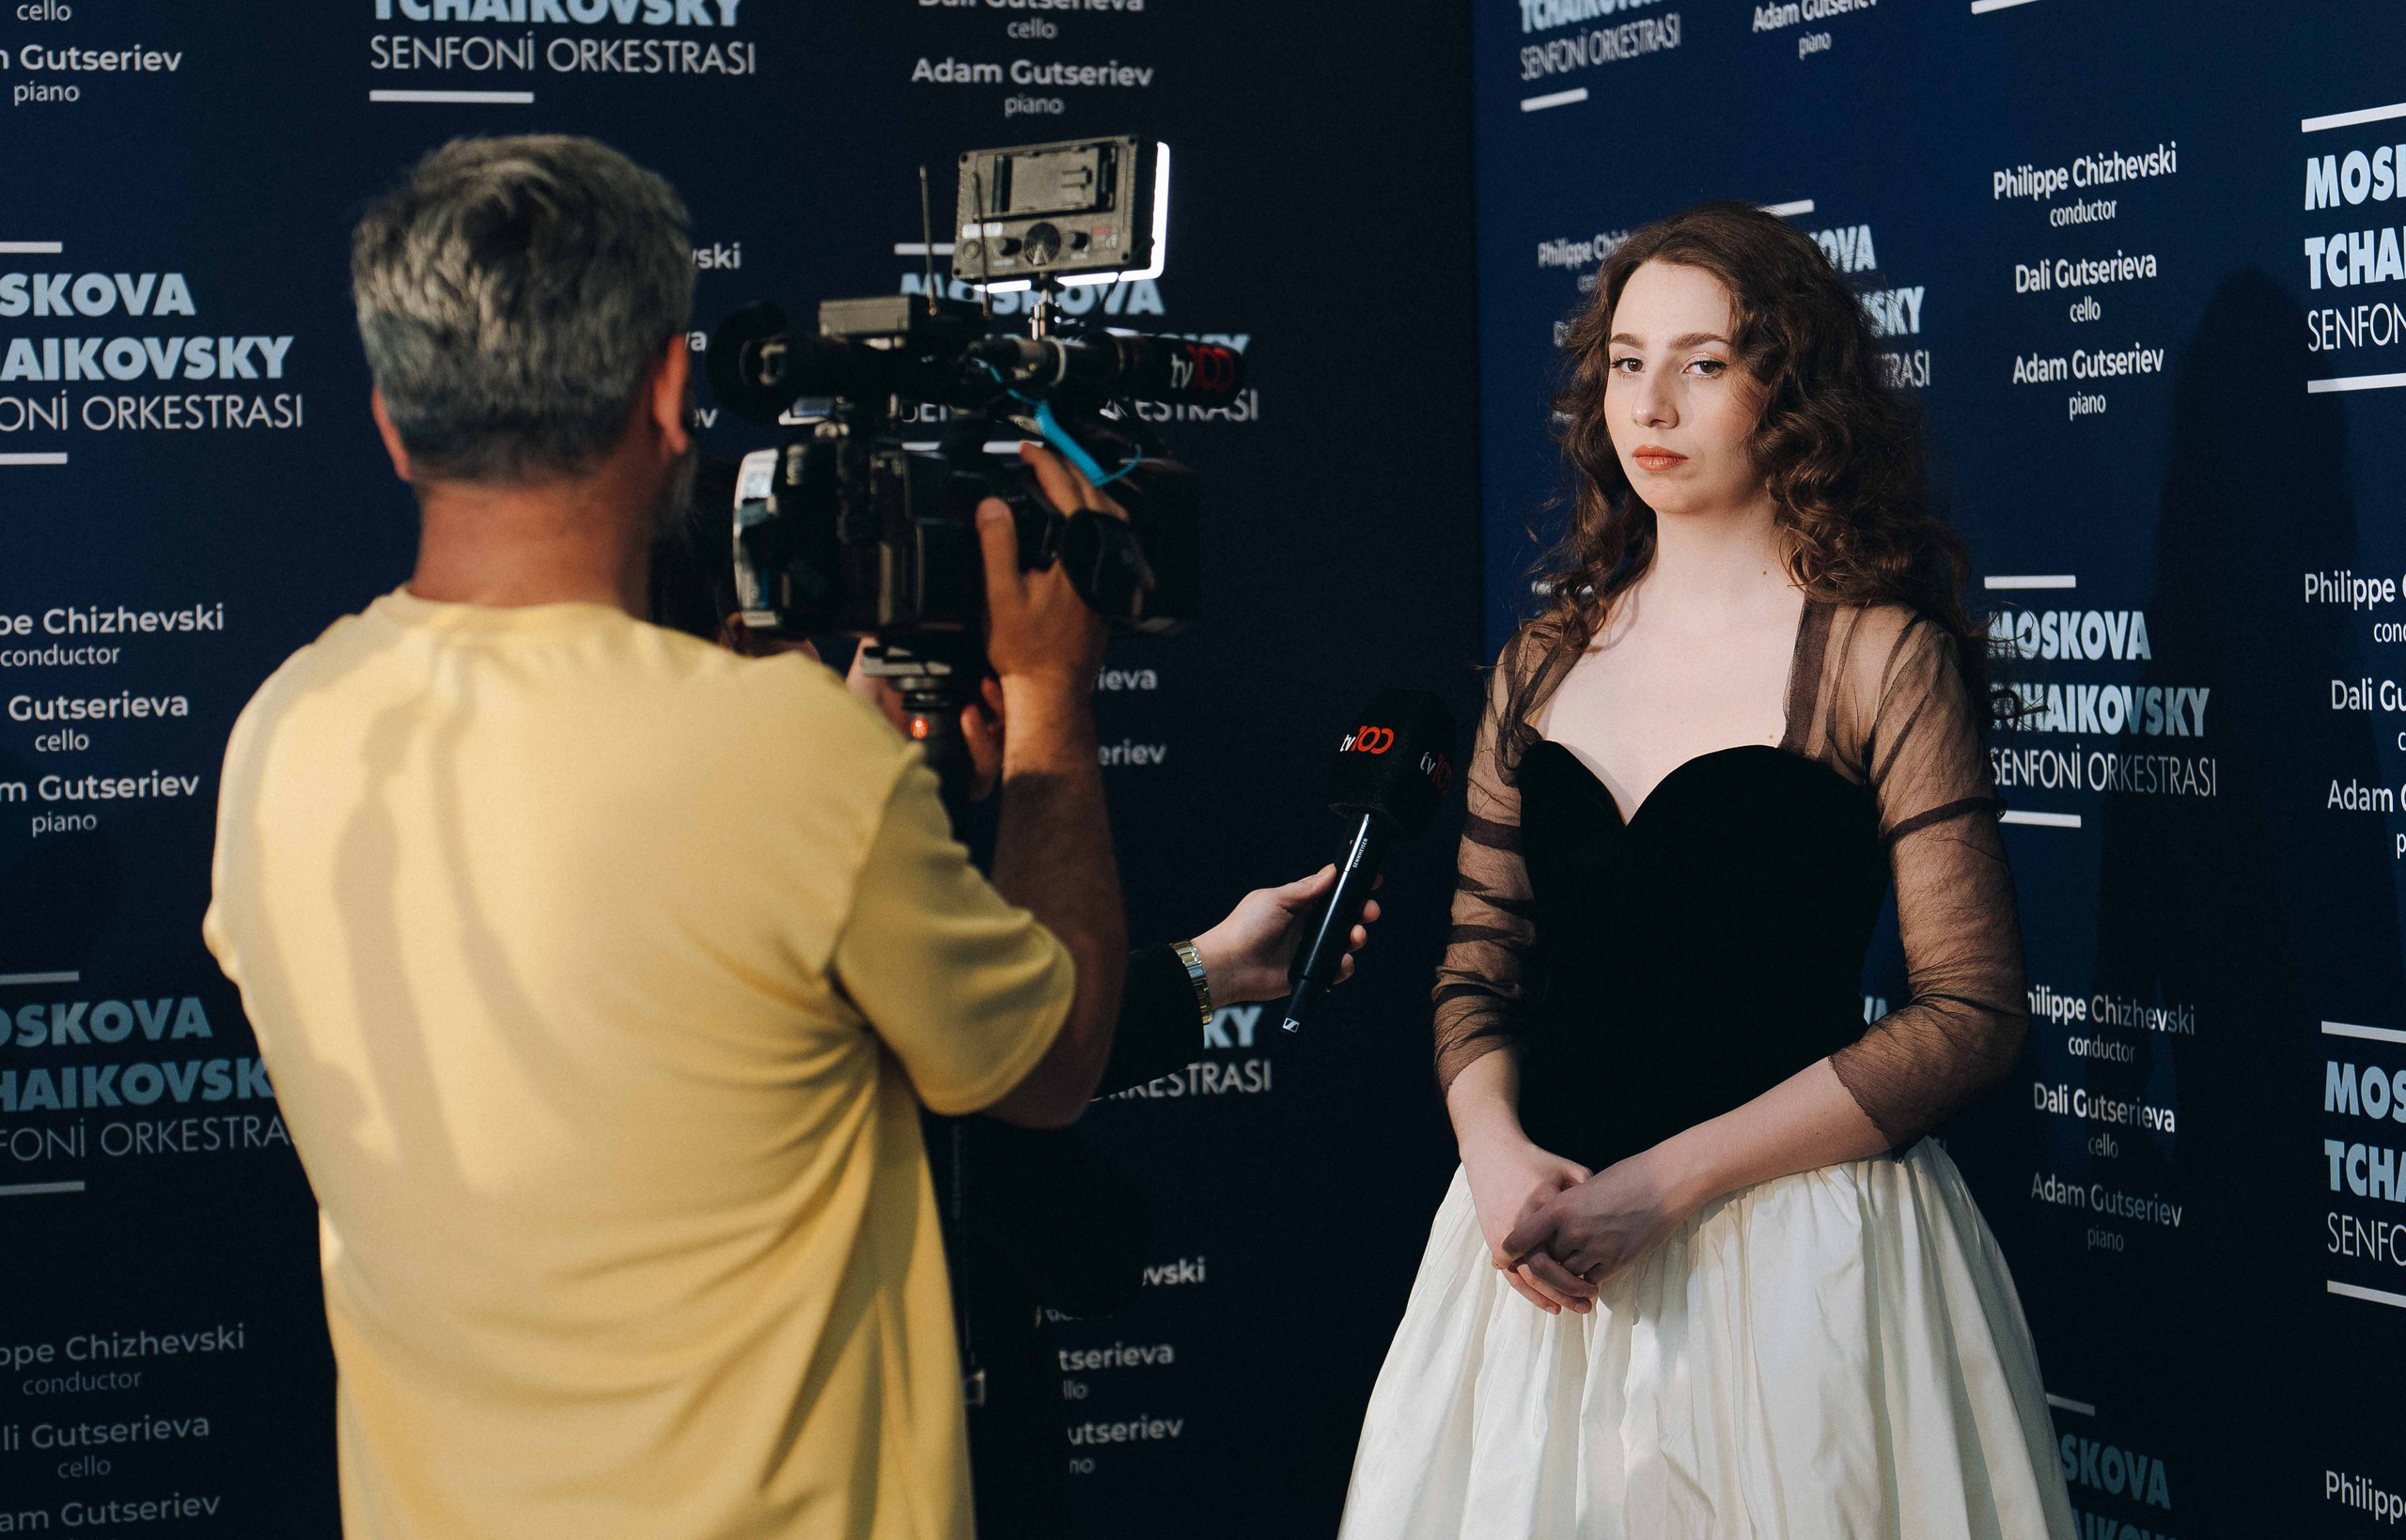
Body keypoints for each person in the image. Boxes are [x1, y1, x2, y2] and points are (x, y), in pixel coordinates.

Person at [202, 133, 1131, 1540]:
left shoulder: (282, 733)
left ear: (392, 421)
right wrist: (1055, 706)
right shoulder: (788, 755)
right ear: (670, 389)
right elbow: (1051, 1062)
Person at [1337, 201, 2079, 1537]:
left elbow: (1970, 1012)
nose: (1652, 402)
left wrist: (1663, 1185)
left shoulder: (1875, 655)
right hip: (1542, 1258)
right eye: (1626, 361)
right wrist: (1499, 1160)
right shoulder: (1545, 662)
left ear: (1789, 390)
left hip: (1802, 1262)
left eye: (1705, 361)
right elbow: (1478, 967)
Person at [653, 471, 1379, 1536]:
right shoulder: (782, 895)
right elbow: (1057, 1189)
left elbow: (976, 1027)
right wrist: (1041, 705)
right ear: (725, 640)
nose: (827, 666)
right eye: (794, 634)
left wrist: (1213, 968)